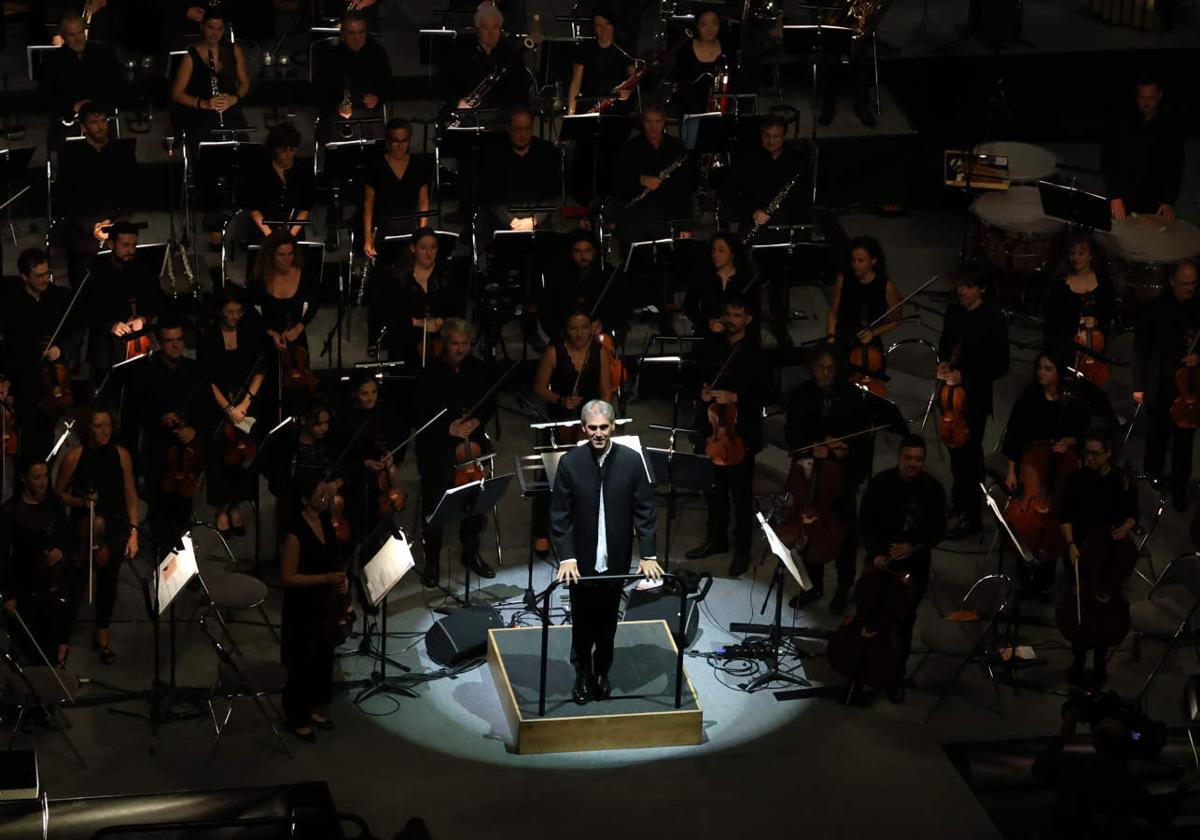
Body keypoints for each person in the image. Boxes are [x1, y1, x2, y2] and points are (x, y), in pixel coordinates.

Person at [552, 399, 660, 704]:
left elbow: (645, 510)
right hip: (582, 562)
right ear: (583, 428)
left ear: (613, 426)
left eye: (603, 427)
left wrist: (649, 555)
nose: (598, 433)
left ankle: (602, 672)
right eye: (592, 428)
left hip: (615, 560)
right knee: (583, 622)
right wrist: (567, 557)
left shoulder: (630, 461)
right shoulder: (570, 463)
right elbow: (560, 514)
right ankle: (582, 674)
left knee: (608, 622)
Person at [686, 296, 772, 576]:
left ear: (748, 319)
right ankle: (717, 539)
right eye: (728, 314)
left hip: (740, 434)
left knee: (741, 494)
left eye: (737, 314)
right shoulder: (714, 347)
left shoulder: (757, 353)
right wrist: (701, 391)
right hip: (711, 430)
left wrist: (735, 396)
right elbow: (697, 374)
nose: (730, 320)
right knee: (714, 491)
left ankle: (743, 549)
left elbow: (769, 395)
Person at [858, 434, 946, 702]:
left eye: (918, 459)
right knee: (870, 615)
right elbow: (866, 523)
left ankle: (895, 676)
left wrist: (912, 547)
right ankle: (867, 670)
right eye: (908, 458)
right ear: (899, 457)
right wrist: (875, 555)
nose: (913, 464)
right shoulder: (880, 483)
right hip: (880, 560)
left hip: (913, 565)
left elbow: (938, 531)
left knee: (903, 622)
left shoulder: (933, 489)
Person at [783, 345, 871, 611]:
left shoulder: (853, 397)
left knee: (845, 534)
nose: (825, 373)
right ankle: (814, 586)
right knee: (809, 530)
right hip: (809, 475)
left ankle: (844, 587)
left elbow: (863, 442)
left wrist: (842, 449)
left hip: (840, 477)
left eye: (830, 368)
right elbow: (792, 435)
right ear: (812, 369)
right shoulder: (800, 395)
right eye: (820, 368)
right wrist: (815, 445)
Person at [54, 403, 139, 665]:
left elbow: (130, 494)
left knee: (108, 585)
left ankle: (102, 636)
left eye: (108, 426)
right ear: (87, 428)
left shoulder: (122, 455)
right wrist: (80, 503)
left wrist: (133, 532)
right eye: (97, 426)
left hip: (114, 527)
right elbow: (58, 494)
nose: (104, 432)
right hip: (84, 529)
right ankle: (62, 641)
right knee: (75, 588)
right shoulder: (75, 457)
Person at [413, 319, 496, 586]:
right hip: (438, 445)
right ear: (443, 344)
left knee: (477, 497)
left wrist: (476, 421)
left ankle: (471, 551)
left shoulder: (479, 369)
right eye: (454, 344)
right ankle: (433, 560)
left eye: (464, 344)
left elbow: (489, 403)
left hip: (470, 441)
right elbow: (419, 414)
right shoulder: (428, 374)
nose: (460, 349)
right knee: (434, 501)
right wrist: (447, 427)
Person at [1059, 433, 1138, 687]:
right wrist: (1071, 545)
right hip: (1081, 548)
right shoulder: (1077, 479)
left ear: (1108, 454)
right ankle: (1079, 656)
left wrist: (1125, 528)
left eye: (1095, 454)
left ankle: (1101, 659)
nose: (1090, 458)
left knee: (1105, 606)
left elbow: (1132, 514)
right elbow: (1065, 516)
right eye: (1087, 453)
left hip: (1110, 552)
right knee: (1082, 604)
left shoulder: (1122, 480)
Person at [531, 311, 614, 553]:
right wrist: (560, 399)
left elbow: (606, 390)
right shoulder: (555, 351)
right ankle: (541, 531)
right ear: (567, 330)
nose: (580, 333)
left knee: (592, 475)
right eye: (574, 328)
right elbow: (539, 386)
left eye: (584, 328)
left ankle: (586, 527)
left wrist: (600, 416)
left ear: (591, 328)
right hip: (560, 418)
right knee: (549, 475)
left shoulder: (600, 352)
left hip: (589, 420)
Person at [937, 273, 1010, 539]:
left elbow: (1001, 365)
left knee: (970, 457)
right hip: (950, 398)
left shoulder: (992, 318)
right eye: (959, 285)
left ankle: (973, 514)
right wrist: (943, 362)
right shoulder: (954, 311)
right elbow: (946, 344)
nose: (961, 290)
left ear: (981, 288)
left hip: (975, 399)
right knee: (957, 456)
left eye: (968, 286)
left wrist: (965, 377)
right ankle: (959, 505)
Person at [278, 472, 347, 742]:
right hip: (302, 606)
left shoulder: (325, 522)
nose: (326, 496)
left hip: (326, 604)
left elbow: (335, 558)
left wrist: (343, 580)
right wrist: (326, 579)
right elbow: (287, 577)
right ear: (305, 500)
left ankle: (314, 707)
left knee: (322, 657)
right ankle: (296, 716)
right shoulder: (295, 533)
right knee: (302, 661)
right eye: (321, 494)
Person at [1, 248, 82, 457]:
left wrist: (60, 348)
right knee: (24, 439)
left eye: (47, 273)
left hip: (54, 380)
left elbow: (76, 329)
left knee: (48, 437)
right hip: (23, 379)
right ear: (24, 277)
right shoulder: (11, 303)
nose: (45, 279)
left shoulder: (58, 296)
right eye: (39, 276)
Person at [131, 319, 205, 546]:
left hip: (188, 449)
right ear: (159, 343)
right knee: (160, 510)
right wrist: (160, 419)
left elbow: (206, 410)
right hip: (159, 448)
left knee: (185, 507)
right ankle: (163, 561)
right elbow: (137, 411)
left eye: (179, 340)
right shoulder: (146, 371)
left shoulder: (194, 370)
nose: (175, 346)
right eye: (169, 341)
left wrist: (193, 429)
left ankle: (185, 560)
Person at [1133, 260, 1199, 511]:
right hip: (1160, 385)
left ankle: (1180, 489)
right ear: (1172, 281)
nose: (1190, 288)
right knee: (1157, 437)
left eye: (1193, 283)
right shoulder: (1155, 309)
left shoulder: (1197, 308)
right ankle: (1152, 481)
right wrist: (1138, 386)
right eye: (1185, 284)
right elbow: (1141, 350)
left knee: (1184, 443)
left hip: (1190, 389)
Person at [199, 288, 264, 536]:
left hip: (246, 401)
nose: (234, 316)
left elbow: (261, 369)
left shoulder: (249, 331)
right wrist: (228, 409)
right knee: (219, 454)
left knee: (245, 455)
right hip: (219, 404)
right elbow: (207, 378)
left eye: (238, 311)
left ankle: (237, 506)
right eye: (229, 311)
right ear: (220, 311)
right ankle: (222, 508)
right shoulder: (210, 335)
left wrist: (245, 404)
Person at [52, 102, 139, 288]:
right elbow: (63, 200)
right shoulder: (71, 154)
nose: (100, 126)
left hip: (117, 232)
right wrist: (91, 227)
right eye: (94, 122)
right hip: (83, 233)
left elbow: (134, 193)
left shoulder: (122, 152)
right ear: (83, 127)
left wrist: (113, 225)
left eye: (103, 120)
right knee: (85, 289)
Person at [1, 458, 75, 669]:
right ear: (24, 479)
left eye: (45, 476)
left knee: (52, 637)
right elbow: (3, 555)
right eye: (37, 477)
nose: (43, 482)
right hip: (24, 582)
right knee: (26, 646)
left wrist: (60, 551)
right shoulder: (10, 510)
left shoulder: (55, 504)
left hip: (53, 583)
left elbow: (67, 536)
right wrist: (7, 594)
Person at [565, 9, 635, 203]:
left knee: (612, 158)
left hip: (615, 112)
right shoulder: (586, 49)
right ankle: (583, 204)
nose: (602, 30)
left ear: (613, 25)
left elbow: (633, 79)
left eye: (606, 24)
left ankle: (608, 203)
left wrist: (627, 92)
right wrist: (571, 116)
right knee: (585, 157)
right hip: (589, 109)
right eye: (598, 25)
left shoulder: (623, 49)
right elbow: (575, 82)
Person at [247, 231, 321, 412]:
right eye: (281, 255)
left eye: (290, 254)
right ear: (271, 255)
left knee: (300, 386)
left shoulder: (304, 275)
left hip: (296, 339)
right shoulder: (260, 279)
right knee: (270, 390)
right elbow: (252, 312)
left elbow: (314, 303)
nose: (287, 260)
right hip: (269, 338)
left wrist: (300, 326)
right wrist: (271, 332)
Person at [366, 228, 463, 365]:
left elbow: (457, 307)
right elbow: (388, 312)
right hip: (406, 336)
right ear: (413, 248)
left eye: (433, 247)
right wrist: (418, 323)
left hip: (440, 338)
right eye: (423, 248)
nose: (429, 253)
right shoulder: (399, 277)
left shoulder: (446, 274)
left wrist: (440, 321)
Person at [81, 221, 165, 380]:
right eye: (125, 245)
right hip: (107, 348)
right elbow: (86, 311)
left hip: (141, 342)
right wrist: (110, 325)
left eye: (134, 245)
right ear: (112, 244)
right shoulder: (97, 274)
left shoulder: (143, 271)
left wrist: (143, 318)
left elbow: (157, 301)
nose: (131, 250)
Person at [329, 370, 402, 541]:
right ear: (354, 393)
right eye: (364, 393)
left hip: (381, 480)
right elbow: (337, 455)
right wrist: (364, 463)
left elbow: (394, 440)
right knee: (359, 528)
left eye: (374, 392)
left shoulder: (383, 413)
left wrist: (391, 455)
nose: (371, 398)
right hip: (354, 480)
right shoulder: (343, 418)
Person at [1001, 354, 1088, 495]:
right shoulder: (1028, 399)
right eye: (1039, 368)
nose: (1041, 373)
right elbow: (1014, 435)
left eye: (1048, 369)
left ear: (1058, 372)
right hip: (1030, 461)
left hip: (1060, 461)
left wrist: (1069, 441)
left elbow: (1082, 432)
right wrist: (1011, 471)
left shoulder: (1070, 401)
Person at [1103, 73, 1185, 221]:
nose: (1146, 103)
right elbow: (1109, 160)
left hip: (1155, 199)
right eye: (1141, 97)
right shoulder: (1122, 124)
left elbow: (1175, 166)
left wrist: (1168, 201)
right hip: (1125, 197)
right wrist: (1115, 196)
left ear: (1159, 96)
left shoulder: (1170, 127)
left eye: (1150, 98)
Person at [610, 102, 693, 247]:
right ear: (642, 122)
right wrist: (640, 179)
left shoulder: (678, 148)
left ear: (664, 121)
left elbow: (685, 189)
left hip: (668, 217)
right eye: (649, 122)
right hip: (636, 218)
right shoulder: (628, 149)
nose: (653, 127)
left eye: (657, 122)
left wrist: (685, 224)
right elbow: (617, 183)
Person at [39, 13, 124, 149]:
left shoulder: (104, 53)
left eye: (80, 32)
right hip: (68, 119)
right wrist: (72, 108)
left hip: (101, 114)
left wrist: (99, 106)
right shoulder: (52, 60)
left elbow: (118, 86)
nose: (78, 39)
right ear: (63, 36)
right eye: (72, 35)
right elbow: (45, 97)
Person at [719, 114, 810, 235]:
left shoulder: (796, 160)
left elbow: (803, 197)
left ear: (784, 137)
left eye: (776, 137)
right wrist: (752, 211)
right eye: (767, 136)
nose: (771, 141)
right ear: (761, 135)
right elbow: (729, 193)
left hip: (787, 225)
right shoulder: (747, 160)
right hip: (754, 225)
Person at [169, 6, 250, 140]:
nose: (214, 34)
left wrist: (233, 99)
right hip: (202, 114)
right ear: (202, 27)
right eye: (210, 27)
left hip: (229, 109)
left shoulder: (234, 50)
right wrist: (204, 103)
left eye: (219, 29)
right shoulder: (191, 56)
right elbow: (176, 94)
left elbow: (245, 82)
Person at [481, 105, 562, 233]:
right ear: (508, 129)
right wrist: (512, 221)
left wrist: (533, 220)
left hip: (539, 223)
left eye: (527, 129)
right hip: (504, 224)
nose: (523, 134)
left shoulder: (546, 151)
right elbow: (491, 196)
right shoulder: (495, 154)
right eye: (518, 129)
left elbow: (552, 194)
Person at [314, 9, 392, 140]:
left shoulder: (377, 53)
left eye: (361, 32)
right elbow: (318, 90)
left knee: (377, 142)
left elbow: (389, 84)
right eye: (351, 33)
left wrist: (378, 98)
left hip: (370, 113)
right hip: (336, 113)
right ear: (343, 35)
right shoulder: (329, 56)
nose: (357, 39)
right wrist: (336, 106)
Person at [361, 118, 433, 257]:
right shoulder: (376, 167)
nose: (399, 145)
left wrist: (422, 234)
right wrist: (368, 238)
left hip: (410, 226)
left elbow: (424, 202)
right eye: (395, 141)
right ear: (388, 142)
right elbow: (368, 204)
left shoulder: (418, 166)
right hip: (383, 227)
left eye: (404, 141)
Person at [440, 3, 529, 115]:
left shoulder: (511, 55)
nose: (491, 33)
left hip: (501, 115)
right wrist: (458, 102)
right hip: (466, 114)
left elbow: (521, 89)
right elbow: (443, 83)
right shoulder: (460, 53)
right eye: (486, 27)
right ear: (477, 29)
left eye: (495, 27)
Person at [1042, 233, 1116, 364]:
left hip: (1096, 344)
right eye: (1072, 253)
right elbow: (1052, 320)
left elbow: (1110, 310)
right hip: (1067, 345)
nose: (1075, 258)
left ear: (1091, 255)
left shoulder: (1103, 281)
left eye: (1081, 253)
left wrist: (1096, 321)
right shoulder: (1060, 285)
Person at [540, 230, 627, 339]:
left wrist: (605, 325)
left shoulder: (609, 274)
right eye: (577, 251)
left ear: (594, 251)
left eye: (587, 251)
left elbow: (620, 308)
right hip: (566, 335)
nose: (583, 256)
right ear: (571, 253)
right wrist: (563, 333)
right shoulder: (558, 276)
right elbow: (547, 311)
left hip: (600, 333)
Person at [825, 236, 901, 360]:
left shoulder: (887, 287)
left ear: (873, 261)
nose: (855, 265)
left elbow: (896, 320)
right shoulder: (844, 278)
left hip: (868, 340)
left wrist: (873, 333)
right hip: (843, 336)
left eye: (860, 261)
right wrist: (830, 341)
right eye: (853, 260)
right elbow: (834, 311)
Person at [247, 122, 315, 241]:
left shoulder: (304, 172)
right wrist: (270, 237)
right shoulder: (260, 171)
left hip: (293, 230)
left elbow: (305, 209)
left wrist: (290, 237)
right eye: (283, 151)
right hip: (264, 230)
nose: (288, 155)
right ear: (274, 149)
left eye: (292, 150)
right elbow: (254, 209)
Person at [684, 232, 760, 339]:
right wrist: (708, 322)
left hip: (740, 339)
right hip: (708, 336)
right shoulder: (701, 276)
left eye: (721, 250)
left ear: (732, 254)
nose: (715, 254)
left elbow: (754, 311)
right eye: (713, 250)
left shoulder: (746, 279)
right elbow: (689, 306)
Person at [670, 8, 725, 119]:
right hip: (691, 110)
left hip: (721, 108)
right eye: (704, 24)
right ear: (697, 26)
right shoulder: (685, 49)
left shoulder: (727, 47)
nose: (709, 29)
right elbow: (679, 83)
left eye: (714, 24)